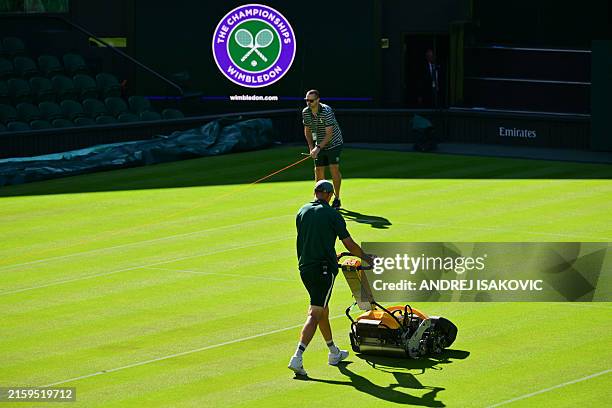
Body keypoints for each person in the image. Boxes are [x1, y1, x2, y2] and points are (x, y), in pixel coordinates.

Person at [288, 180, 373, 376]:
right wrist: (367, 258)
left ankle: (333, 352)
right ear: (329, 195)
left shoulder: (302, 211)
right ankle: (297, 357)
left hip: (305, 268)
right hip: (323, 270)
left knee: (322, 308)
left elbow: (312, 238)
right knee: (315, 313)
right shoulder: (333, 214)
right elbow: (349, 243)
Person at [302, 90, 344, 209]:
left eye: (311, 100)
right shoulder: (305, 112)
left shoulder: (327, 111)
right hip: (318, 144)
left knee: (333, 168)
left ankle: (337, 198)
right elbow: (307, 130)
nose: (308, 103)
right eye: (307, 100)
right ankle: (320, 198)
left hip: (334, 143)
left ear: (318, 100)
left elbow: (329, 134)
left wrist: (318, 148)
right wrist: (311, 147)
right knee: (318, 170)